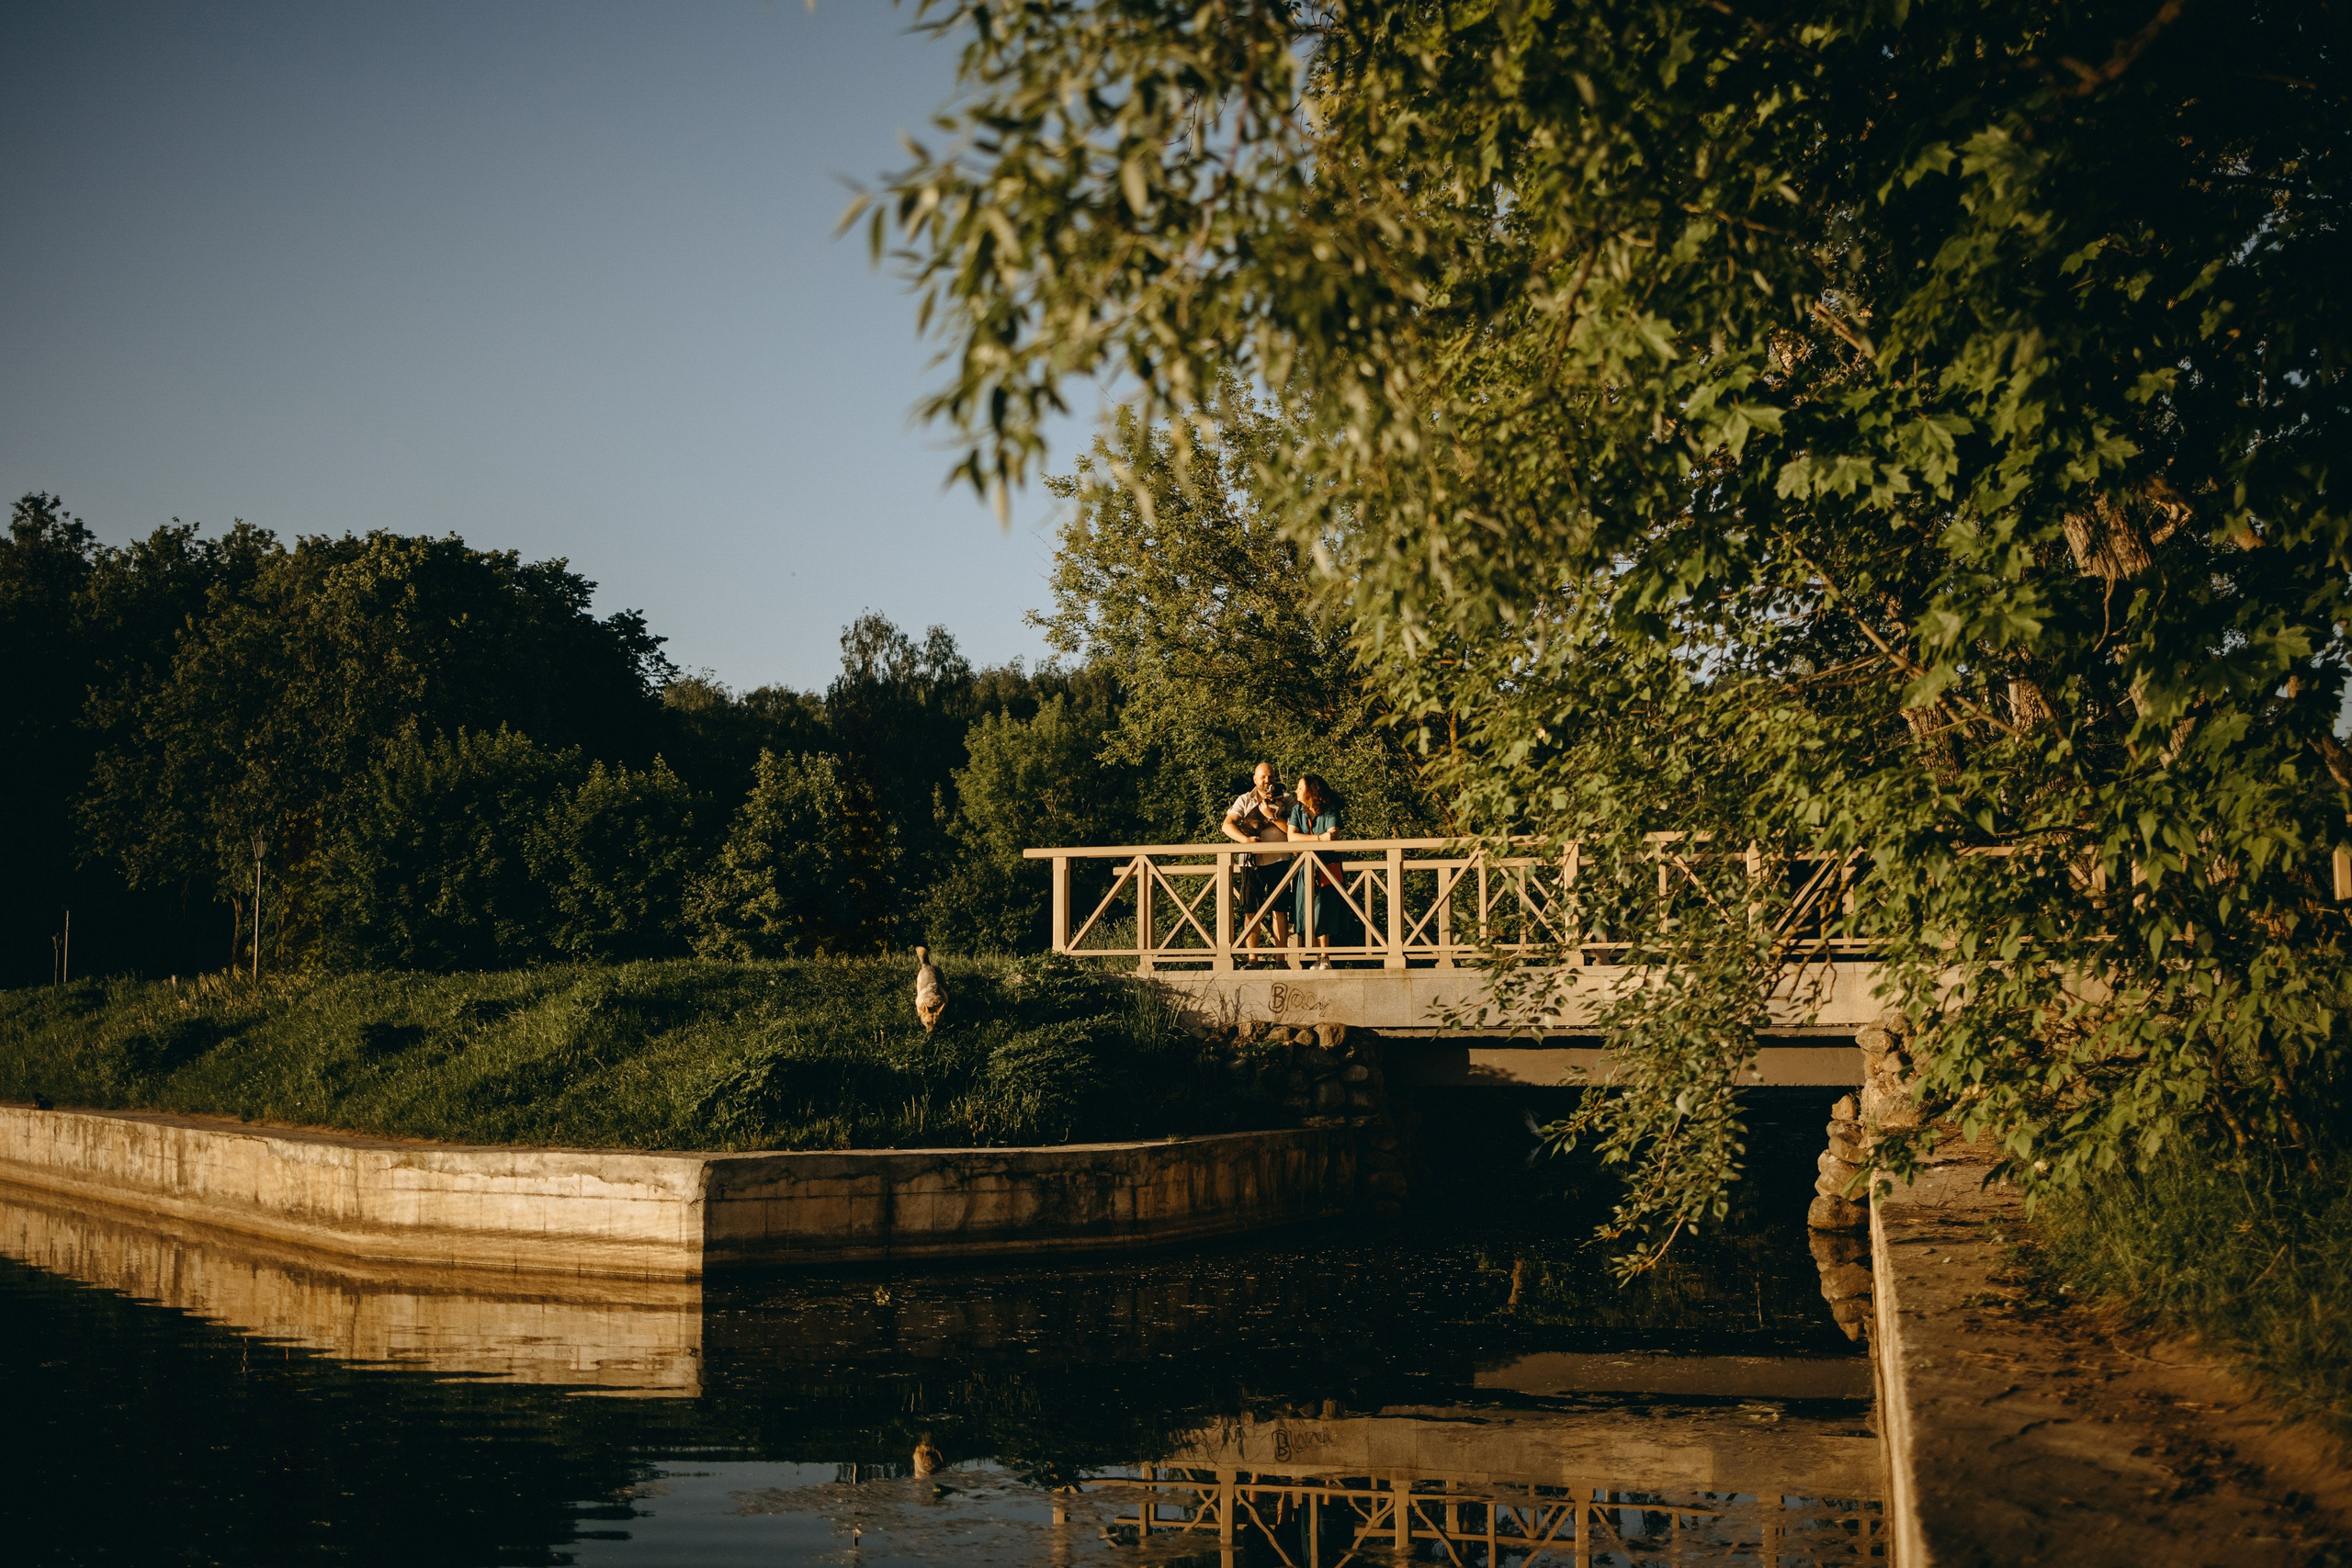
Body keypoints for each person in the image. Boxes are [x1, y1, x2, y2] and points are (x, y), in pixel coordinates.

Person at [1221, 761, 1294, 962]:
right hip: (1250, 862)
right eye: (1263, 777)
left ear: (1275, 778)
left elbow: (1294, 831)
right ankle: (1253, 959)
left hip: (1279, 859)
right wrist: (1244, 840)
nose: (1267, 780)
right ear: (1255, 779)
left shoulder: (1286, 799)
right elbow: (1226, 826)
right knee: (1251, 911)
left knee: (1280, 910)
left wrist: (1272, 817)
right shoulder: (1245, 799)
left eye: (1270, 776)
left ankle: (1281, 960)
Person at [1287, 773, 1354, 967]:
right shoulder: (1297, 811)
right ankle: (1317, 955)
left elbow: (1332, 837)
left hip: (1327, 865)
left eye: (1300, 788)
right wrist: (1319, 839)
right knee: (1306, 910)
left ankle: (1325, 956)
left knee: (1324, 908)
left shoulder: (1330, 810)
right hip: (1305, 867)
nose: (1296, 791)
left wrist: (1313, 840)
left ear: (1311, 790)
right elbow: (1291, 838)